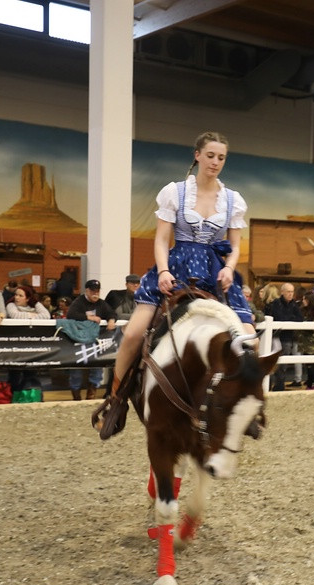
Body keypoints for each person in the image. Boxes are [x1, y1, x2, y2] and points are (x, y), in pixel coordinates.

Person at [100, 131, 253, 433]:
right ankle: (116, 400)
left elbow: (235, 246)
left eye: (221, 157)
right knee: (132, 334)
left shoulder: (233, 200)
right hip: (177, 266)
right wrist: (163, 271)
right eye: (210, 155)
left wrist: (230, 268)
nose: (215, 162)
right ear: (197, 155)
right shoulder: (175, 192)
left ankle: (241, 403)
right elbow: (160, 239)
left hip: (214, 273)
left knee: (250, 338)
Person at [67, 279, 116, 400]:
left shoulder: (101, 303)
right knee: (76, 368)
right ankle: (76, 395)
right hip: (78, 341)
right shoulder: (78, 302)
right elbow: (71, 315)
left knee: (97, 366)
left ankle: (92, 391)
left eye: (98, 291)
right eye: (93, 291)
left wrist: (111, 320)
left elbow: (111, 313)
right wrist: (88, 317)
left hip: (95, 341)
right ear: (87, 291)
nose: (96, 294)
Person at [6, 285, 51, 394]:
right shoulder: (11, 305)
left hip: (31, 345)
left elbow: (46, 315)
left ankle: (31, 397)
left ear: (27, 298)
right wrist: (33, 315)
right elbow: (15, 315)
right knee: (15, 374)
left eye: (20, 295)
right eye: (16, 295)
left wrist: (30, 312)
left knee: (30, 373)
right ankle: (13, 396)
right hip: (14, 345)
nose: (17, 297)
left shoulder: (35, 304)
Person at [268, 282, 303, 390]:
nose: (290, 294)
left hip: (289, 337)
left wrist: (289, 318)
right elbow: (279, 317)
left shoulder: (294, 304)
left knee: (284, 365)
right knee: (276, 363)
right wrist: (291, 318)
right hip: (277, 337)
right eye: (288, 291)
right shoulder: (276, 303)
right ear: (282, 292)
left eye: (292, 292)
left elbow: (300, 318)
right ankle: (274, 385)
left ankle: (279, 385)